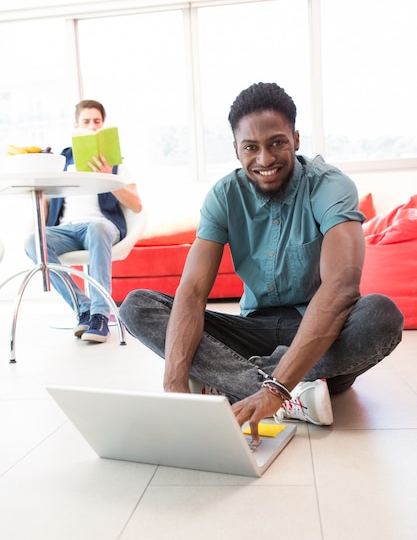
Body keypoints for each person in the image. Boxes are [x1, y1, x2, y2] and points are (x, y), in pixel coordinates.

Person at [119, 82, 403, 442]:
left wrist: (273, 391)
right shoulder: (224, 195)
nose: (265, 159)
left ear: (296, 139)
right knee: (138, 306)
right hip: (253, 331)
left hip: (321, 334)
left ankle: (245, 384)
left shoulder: (330, 185)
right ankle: (298, 395)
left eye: (277, 143)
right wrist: (176, 388)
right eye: (251, 147)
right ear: (236, 149)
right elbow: (191, 292)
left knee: (381, 315)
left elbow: (342, 286)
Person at [25, 99, 143, 343]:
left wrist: (107, 177)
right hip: (65, 229)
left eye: (96, 122)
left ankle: (100, 315)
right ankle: (84, 308)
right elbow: (46, 203)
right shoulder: (61, 162)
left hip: (100, 226)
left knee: (98, 227)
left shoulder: (115, 163)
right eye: (86, 122)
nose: (91, 126)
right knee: (32, 242)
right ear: (75, 126)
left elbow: (136, 204)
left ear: (103, 126)